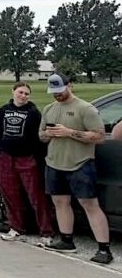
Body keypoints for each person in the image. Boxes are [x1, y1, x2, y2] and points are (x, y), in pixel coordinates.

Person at [39, 74, 111, 264]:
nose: (57, 95)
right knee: (60, 202)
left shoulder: (85, 109)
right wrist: (49, 134)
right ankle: (66, 240)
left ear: (69, 86)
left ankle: (104, 249)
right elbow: (41, 136)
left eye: (60, 91)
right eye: (53, 92)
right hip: (54, 163)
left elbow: (100, 137)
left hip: (80, 163)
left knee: (89, 204)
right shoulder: (49, 109)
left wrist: (69, 132)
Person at [0, 82, 54, 245]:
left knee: (36, 196)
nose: (23, 96)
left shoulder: (33, 112)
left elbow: (38, 138)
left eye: (26, 94)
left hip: (27, 159)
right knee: (10, 195)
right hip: (5, 158)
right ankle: (16, 229)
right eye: (20, 92)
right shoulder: (4, 110)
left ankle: (46, 232)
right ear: (13, 91)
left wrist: (37, 158)